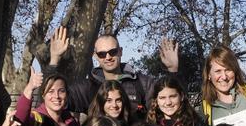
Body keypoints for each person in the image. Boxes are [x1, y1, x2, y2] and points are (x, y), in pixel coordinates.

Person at [47, 27, 180, 113]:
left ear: (120, 52)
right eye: (102, 54)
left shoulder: (142, 83)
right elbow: (54, 98)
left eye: (112, 52)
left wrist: (173, 70)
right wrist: (54, 60)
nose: (108, 57)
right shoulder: (88, 87)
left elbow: (170, 103)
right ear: (96, 57)